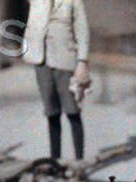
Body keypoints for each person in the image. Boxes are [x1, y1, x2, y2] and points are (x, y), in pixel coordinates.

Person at [23, 0, 90, 161]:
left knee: (73, 112)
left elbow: (82, 31)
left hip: (65, 63)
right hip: (41, 61)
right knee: (51, 113)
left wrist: (82, 62)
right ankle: (55, 162)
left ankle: (79, 162)